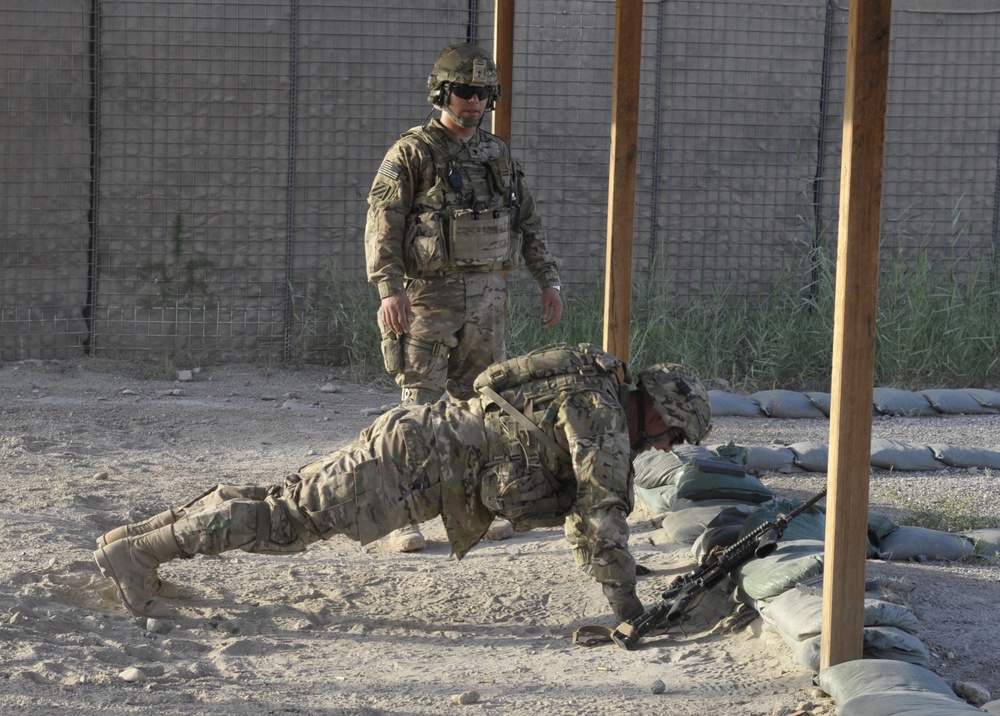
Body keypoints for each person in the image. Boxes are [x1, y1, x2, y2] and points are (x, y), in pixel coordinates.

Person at [93, 343, 712, 625]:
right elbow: (600, 518)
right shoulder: (603, 422)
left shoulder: (593, 388)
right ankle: (139, 554)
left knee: (285, 500)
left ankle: (135, 541)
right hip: (412, 470)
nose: (665, 447)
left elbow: (585, 514)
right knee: (287, 523)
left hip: (414, 442)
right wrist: (630, 610)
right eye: (671, 434)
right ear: (657, 408)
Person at [364, 43, 564, 552]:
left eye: (482, 93)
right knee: (418, 408)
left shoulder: (497, 154)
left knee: (479, 407)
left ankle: (473, 510)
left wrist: (548, 281)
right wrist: (388, 289)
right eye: (464, 91)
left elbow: (526, 221)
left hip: (488, 299)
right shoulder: (412, 152)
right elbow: (382, 225)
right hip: (429, 296)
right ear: (442, 92)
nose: (474, 102)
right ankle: (400, 517)